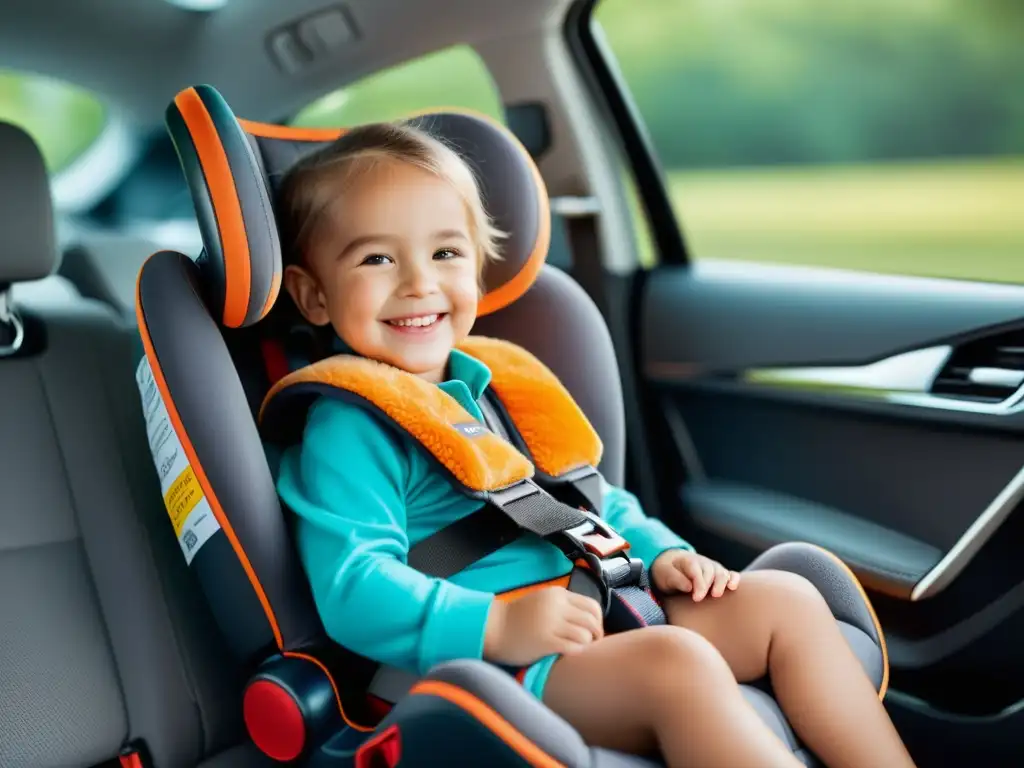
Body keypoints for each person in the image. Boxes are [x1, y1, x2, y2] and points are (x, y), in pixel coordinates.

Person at [272, 121, 916, 768]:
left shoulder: (490, 385)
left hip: (595, 606)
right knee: (677, 663)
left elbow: (586, 496)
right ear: (313, 294)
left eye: (445, 254)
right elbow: (353, 585)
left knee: (789, 601)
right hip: (490, 668)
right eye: (376, 259)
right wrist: (492, 628)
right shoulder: (350, 428)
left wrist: (664, 555)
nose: (418, 282)